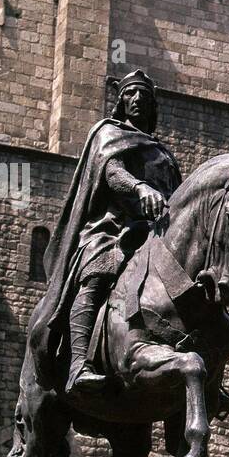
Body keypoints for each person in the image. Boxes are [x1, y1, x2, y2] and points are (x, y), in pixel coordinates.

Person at [30, 68, 182, 394]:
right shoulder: (108, 133)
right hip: (111, 230)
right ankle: (77, 366)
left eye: (143, 94)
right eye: (130, 93)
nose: (137, 99)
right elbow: (112, 173)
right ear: (121, 100)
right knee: (100, 270)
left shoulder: (162, 152)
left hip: (155, 235)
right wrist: (140, 188)